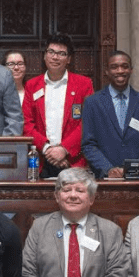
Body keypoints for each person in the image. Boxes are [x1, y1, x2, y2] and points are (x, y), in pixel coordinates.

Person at [22, 34, 94, 178]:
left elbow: (88, 122)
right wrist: (48, 149)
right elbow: (26, 123)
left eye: (61, 54)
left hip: (72, 160)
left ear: (68, 59)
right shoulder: (32, 85)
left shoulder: (83, 84)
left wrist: (64, 149)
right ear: (45, 55)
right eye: (51, 52)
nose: (55, 57)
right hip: (41, 160)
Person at [81, 51, 139, 179]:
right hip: (103, 178)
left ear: (131, 70)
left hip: (137, 179)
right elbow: (88, 144)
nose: (120, 71)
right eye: (114, 67)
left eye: (125, 66)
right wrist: (108, 169)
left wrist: (133, 168)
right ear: (107, 71)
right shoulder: (92, 102)